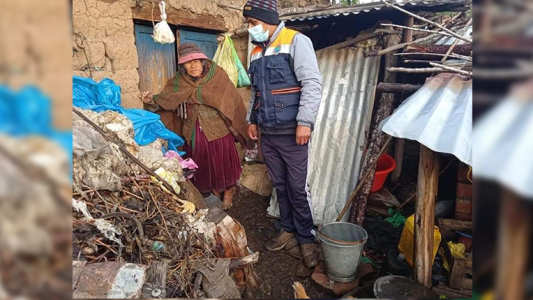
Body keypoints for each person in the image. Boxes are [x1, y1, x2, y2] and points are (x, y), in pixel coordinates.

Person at [243, 0, 323, 269]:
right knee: (280, 185)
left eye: (252, 23)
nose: (250, 28)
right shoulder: (255, 51)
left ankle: (306, 238)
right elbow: (255, 91)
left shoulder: (296, 41)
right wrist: (251, 119)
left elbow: (311, 83)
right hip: (269, 132)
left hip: (293, 132)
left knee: (297, 188)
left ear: (266, 20)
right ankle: (287, 229)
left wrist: (305, 122)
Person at [140, 43, 249, 210]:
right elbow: (166, 99)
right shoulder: (178, 81)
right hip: (192, 128)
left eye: (197, 61)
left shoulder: (218, 75)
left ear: (203, 62)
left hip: (218, 128)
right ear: (183, 66)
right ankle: (214, 191)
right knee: (202, 161)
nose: (193, 66)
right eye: (188, 63)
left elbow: (231, 101)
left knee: (222, 161)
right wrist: (151, 101)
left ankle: (228, 191)